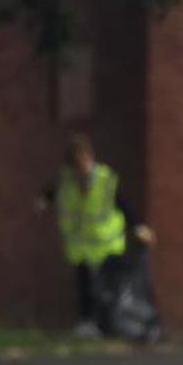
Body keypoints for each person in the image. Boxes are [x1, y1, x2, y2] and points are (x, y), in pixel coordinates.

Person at [47, 133, 129, 337]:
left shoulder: (104, 179)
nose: (82, 167)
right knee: (85, 285)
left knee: (107, 287)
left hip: (107, 242)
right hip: (81, 244)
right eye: (77, 163)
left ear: (91, 157)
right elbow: (52, 192)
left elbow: (121, 202)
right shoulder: (67, 181)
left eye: (84, 160)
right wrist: (42, 200)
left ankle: (109, 323)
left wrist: (138, 226)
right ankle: (89, 323)